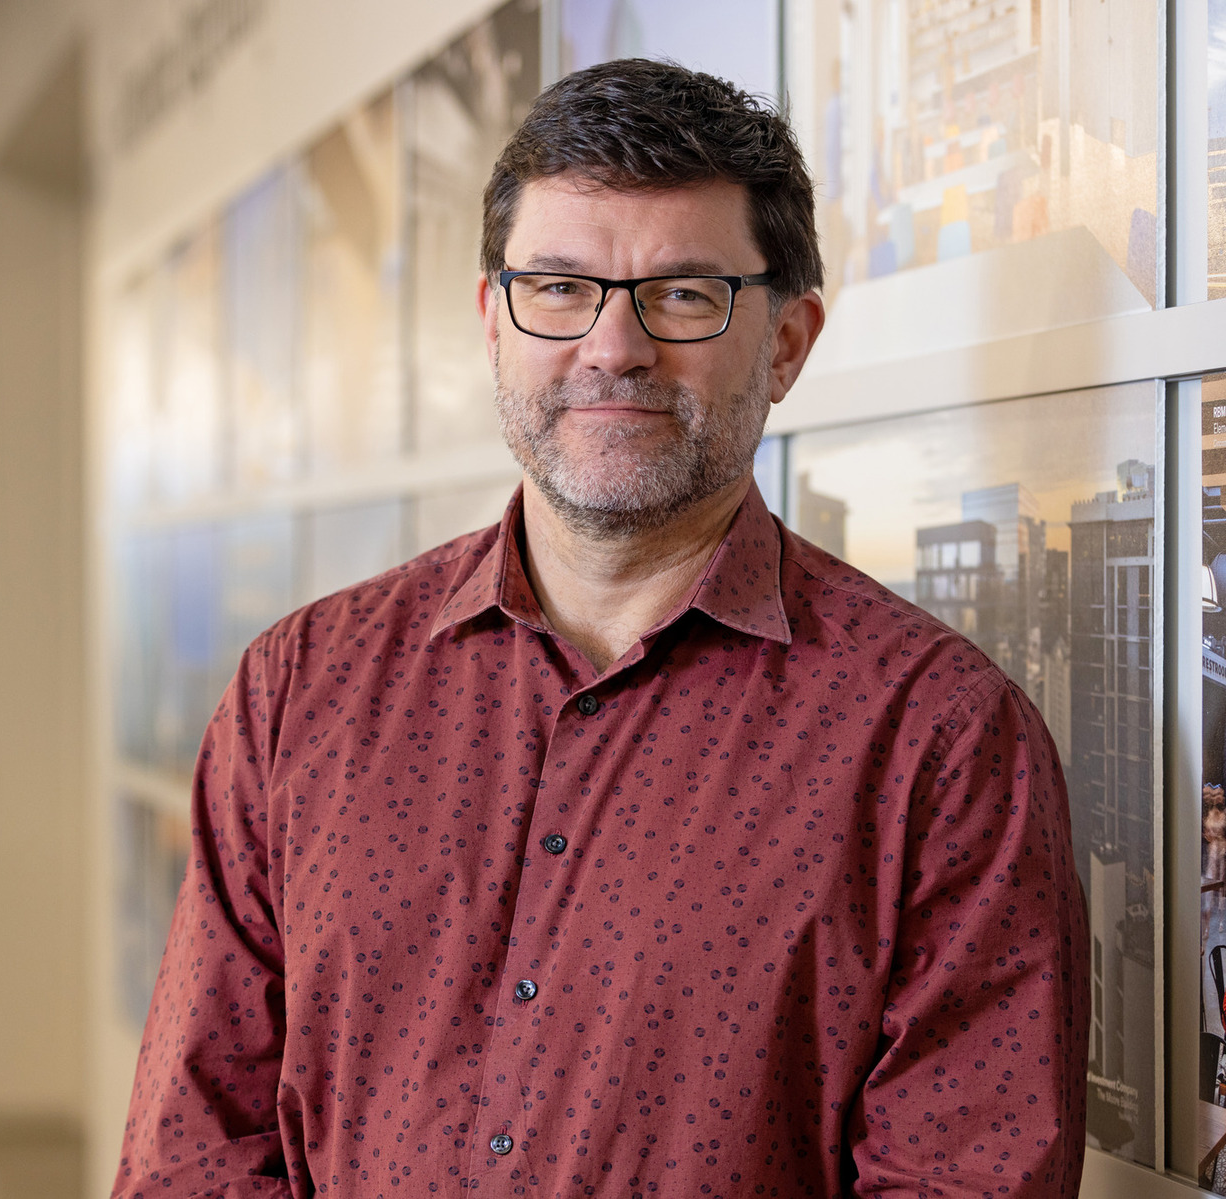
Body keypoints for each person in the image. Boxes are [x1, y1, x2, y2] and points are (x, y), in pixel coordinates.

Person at [113, 58, 1088, 1198]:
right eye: (561, 287)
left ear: (785, 342)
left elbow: (964, 1177)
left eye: (683, 293)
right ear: (493, 321)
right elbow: (195, 1146)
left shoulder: (941, 742)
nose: (613, 347)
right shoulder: (301, 689)